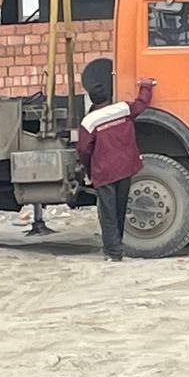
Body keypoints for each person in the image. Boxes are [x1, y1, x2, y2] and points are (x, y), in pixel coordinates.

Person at [77, 78, 155, 261]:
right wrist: (146, 86)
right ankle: (116, 246)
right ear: (108, 96)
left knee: (108, 213)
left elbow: (83, 149)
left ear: (92, 100)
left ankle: (113, 252)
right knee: (120, 209)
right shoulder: (123, 109)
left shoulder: (89, 121)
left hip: (104, 172)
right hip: (125, 168)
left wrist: (89, 169)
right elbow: (141, 104)